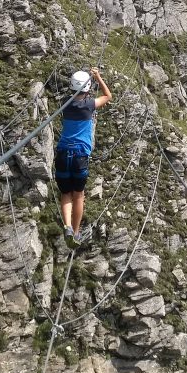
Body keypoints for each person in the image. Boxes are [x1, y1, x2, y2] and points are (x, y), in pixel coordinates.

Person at [55, 67, 111, 245]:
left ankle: (68, 227)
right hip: (80, 156)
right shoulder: (89, 105)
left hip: (63, 154)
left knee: (66, 194)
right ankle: (77, 232)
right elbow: (108, 96)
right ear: (87, 89)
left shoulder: (65, 103)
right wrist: (98, 77)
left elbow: (75, 95)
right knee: (78, 195)